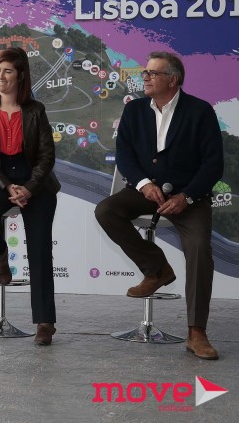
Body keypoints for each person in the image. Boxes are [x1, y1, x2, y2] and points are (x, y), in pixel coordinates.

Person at [95, 51, 224, 360]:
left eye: (153, 73)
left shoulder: (200, 111)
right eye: (146, 73)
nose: (146, 77)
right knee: (106, 211)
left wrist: (187, 197)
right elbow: (124, 154)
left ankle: (196, 333)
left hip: (188, 197)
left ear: (173, 79)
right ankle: (157, 269)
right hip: (146, 191)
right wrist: (144, 184)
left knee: (199, 249)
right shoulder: (134, 110)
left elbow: (213, 164)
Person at [0, 47, 60, 346]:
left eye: (7, 71)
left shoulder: (36, 110)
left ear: (20, 76)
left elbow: (47, 156)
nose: (0, 76)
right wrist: (8, 186)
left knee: (39, 249)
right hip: (0, 178)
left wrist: (29, 187)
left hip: (35, 180)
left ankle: (45, 322)